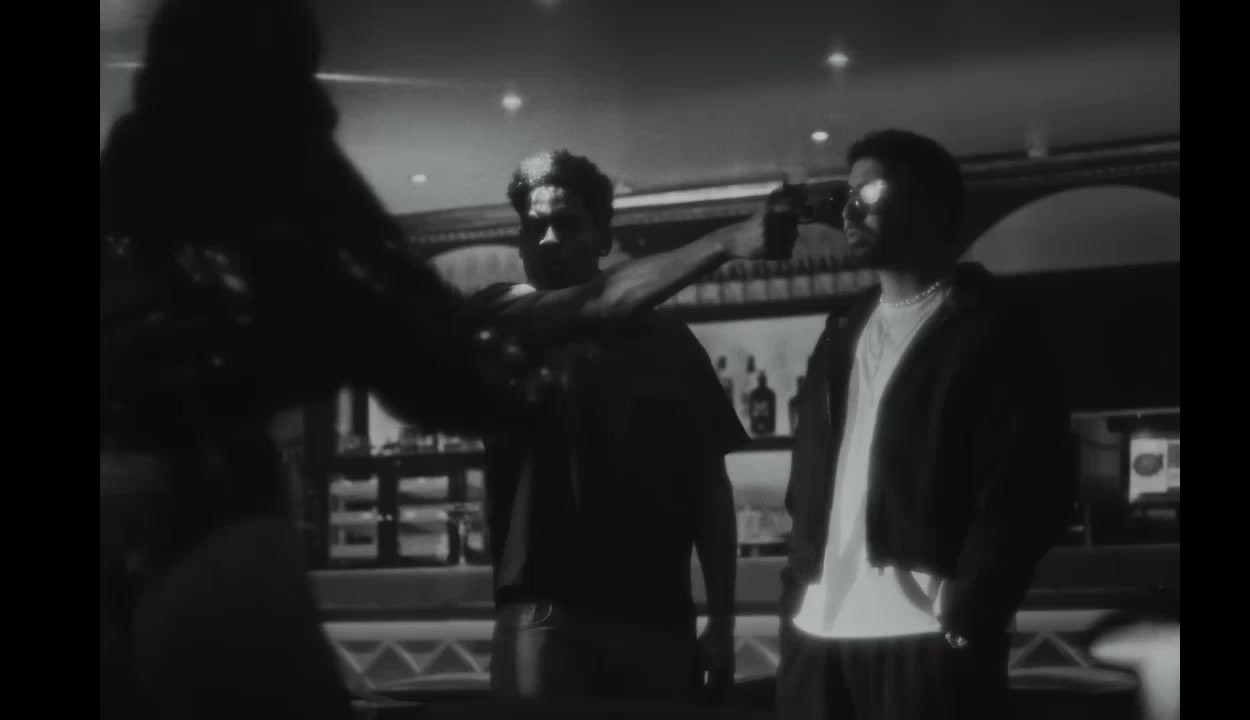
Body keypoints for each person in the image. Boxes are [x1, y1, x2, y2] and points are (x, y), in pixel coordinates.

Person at [99, 1, 551, 718]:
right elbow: (431, 358)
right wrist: (530, 386)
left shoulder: (126, 169)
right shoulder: (283, 169)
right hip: (197, 502)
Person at [776, 129, 1077, 720]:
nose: (849, 211)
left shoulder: (993, 330)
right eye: (847, 196)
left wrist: (971, 614)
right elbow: (810, 481)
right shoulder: (840, 333)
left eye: (872, 193)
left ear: (934, 207)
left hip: (924, 632)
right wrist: (794, 594)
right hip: (817, 632)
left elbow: (1032, 487)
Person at [471, 150, 780, 703]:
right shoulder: (501, 313)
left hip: (659, 616)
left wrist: (722, 622)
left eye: (567, 225)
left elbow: (709, 491)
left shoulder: (671, 343)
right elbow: (605, 301)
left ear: (603, 239)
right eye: (533, 227)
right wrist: (726, 240)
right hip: (548, 614)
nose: (547, 240)